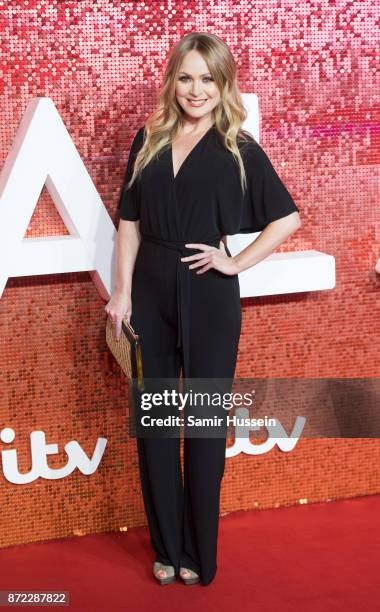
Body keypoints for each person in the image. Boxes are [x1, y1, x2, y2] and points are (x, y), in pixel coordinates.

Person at [105, 32, 301, 587]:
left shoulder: (238, 148)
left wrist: (236, 264)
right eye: (186, 77)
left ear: (223, 85)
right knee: (159, 426)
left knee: (205, 426)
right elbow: (129, 222)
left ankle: (198, 554)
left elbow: (287, 219)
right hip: (149, 293)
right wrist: (121, 293)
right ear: (174, 81)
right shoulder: (149, 139)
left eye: (207, 79)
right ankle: (166, 548)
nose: (196, 90)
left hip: (210, 295)